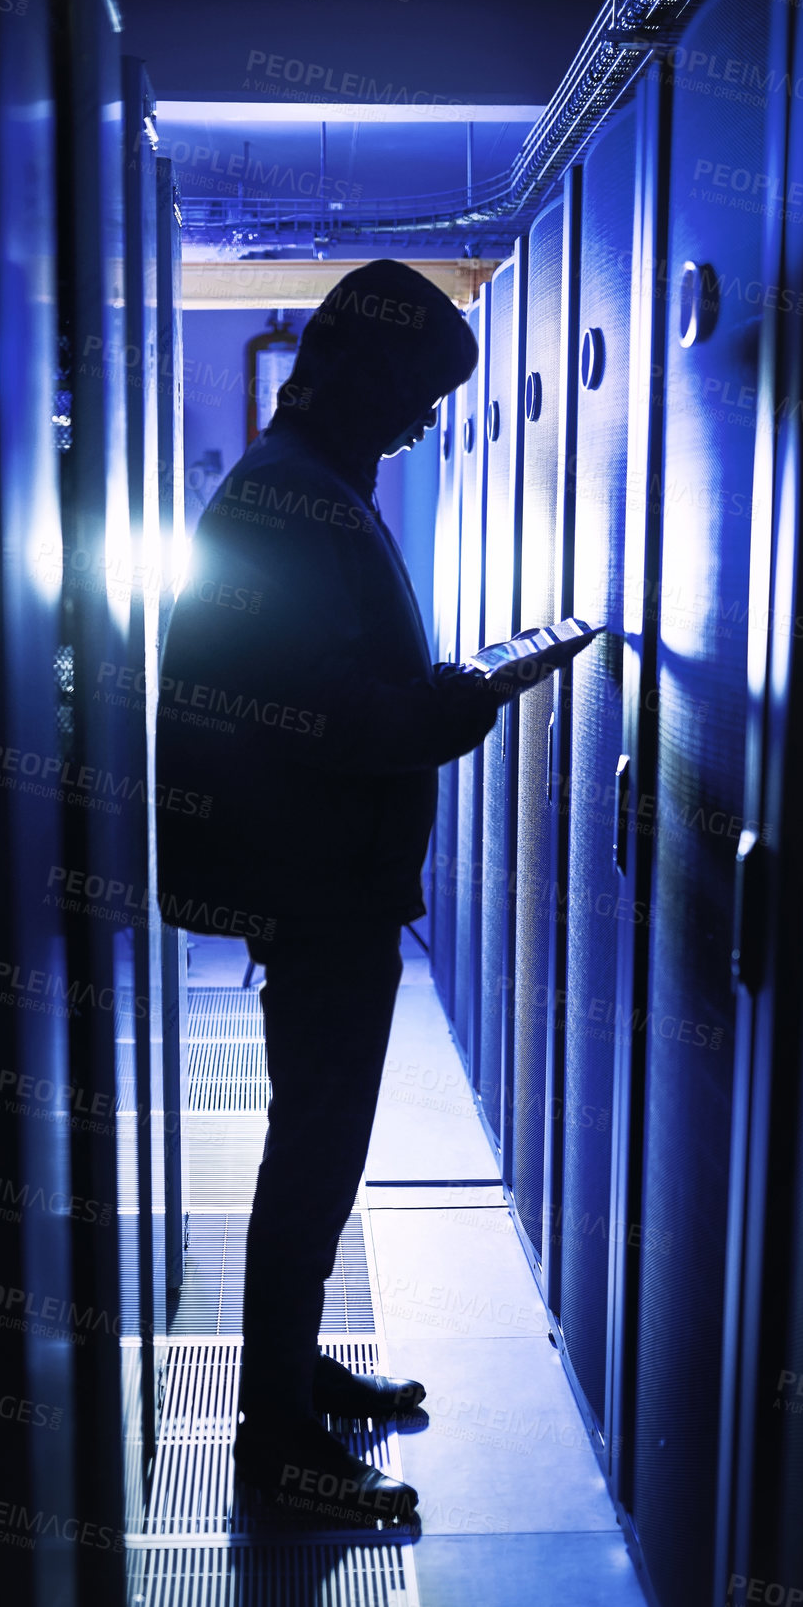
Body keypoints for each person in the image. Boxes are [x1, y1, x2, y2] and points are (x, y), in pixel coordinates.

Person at [156, 258, 508, 1525]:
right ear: (359, 372)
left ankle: (289, 1373)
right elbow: (308, 710)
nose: (421, 421)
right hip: (312, 881)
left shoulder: (301, 485)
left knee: (316, 1150)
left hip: (318, 873)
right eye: (415, 391)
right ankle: (280, 1443)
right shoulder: (288, 503)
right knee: (310, 1156)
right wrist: (449, 713)